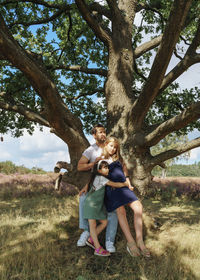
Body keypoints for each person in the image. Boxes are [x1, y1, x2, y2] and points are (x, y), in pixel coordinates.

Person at [103, 136, 151, 257]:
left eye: (115, 147)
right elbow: (99, 177)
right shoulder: (101, 159)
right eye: (111, 146)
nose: (113, 149)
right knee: (121, 210)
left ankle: (140, 241)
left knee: (138, 207)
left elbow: (126, 175)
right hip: (112, 188)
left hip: (124, 188)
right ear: (106, 145)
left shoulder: (120, 160)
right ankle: (131, 242)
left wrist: (129, 185)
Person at [77, 124, 118, 253]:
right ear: (94, 135)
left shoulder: (110, 147)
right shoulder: (91, 150)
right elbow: (80, 167)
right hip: (97, 184)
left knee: (113, 209)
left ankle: (109, 240)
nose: (103, 134)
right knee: (84, 199)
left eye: (104, 132)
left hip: (110, 184)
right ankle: (86, 232)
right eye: (99, 132)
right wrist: (93, 164)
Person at [83, 160, 129, 257]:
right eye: (105, 167)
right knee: (93, 225)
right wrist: (125, 184)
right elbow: (115, 184)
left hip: (95, 206)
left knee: (104, 222)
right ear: (99, 170)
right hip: (91, 205)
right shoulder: (100, 178)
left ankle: (91, 239)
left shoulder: (98, 178)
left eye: (108, 167)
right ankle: (98, 248)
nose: (108, 169)